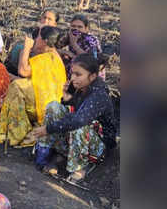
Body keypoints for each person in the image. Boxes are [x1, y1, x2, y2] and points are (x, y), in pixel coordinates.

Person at [30, 53, 117, 182]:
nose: (73, 78)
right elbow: (70, 111)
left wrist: (48, 129)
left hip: (97, 146)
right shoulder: (78, 86)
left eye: (78, 74)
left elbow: (79, 120)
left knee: (80, 126)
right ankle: (46, 152)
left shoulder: (99, 94)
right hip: (78, 138)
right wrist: (67, 100)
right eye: (72, 73)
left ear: (92, 76)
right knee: (54, 106)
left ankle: (80, 166)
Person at [0, 26, 66, 147]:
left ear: (45, 41)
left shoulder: (47, 57)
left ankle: (17, 132)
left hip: (44, 107)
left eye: (38, 37)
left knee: (17, 86)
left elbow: (23, 71)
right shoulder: (52, 56)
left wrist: (26, 48)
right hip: (49, 104)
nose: (36, 40)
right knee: (18, 84)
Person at [5, 9, 59, 77]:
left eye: (49, 19)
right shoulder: (35, 32)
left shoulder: (54, 37)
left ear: (55, 24)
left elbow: (23, 71)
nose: (45, 21)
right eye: (44, 18)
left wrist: (26, 49)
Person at [57, 14, 104, 80]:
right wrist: (66, 52)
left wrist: (74, 44)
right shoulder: (70, 35)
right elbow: (52, 48)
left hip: (90, 74)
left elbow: (91, 60)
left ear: (86, 29)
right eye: (73, 26)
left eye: (80, 27)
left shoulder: (91, 40)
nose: (76, 29)